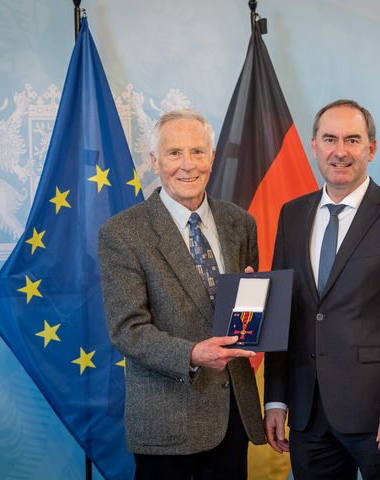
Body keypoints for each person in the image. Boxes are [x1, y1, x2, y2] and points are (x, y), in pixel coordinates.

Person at [264, 99, 380, 479]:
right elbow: (285, 314)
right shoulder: (291, 214)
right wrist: (276, 397)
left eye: (352, 140)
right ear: (314, 146)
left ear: (371, 149)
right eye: (329, 139)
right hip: (308, 414)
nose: (340, 151)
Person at [98, 109, 265, 480]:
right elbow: (128, 328)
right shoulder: (123, 233)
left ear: (212, 157)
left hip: (232, 415)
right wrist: (191, 354)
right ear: (155, 161)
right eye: (174, 153)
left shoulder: (241, 223)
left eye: (197, 152)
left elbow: (244, 319)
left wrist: (256, 304)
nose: (187, 165)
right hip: (166, 422)